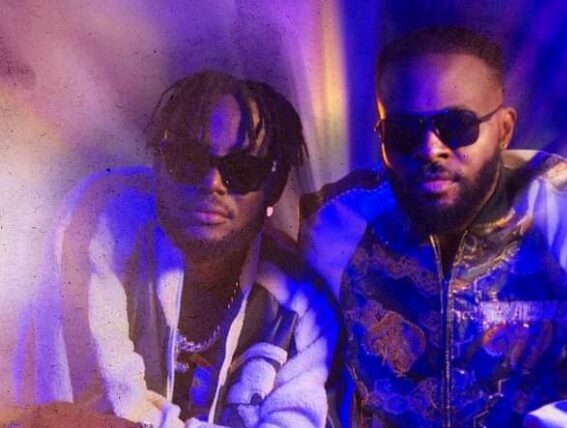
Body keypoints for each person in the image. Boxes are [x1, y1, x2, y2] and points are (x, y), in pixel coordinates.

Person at [299, 27, 567, 427]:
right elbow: (299, 361)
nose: (430, 149)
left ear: (504, 129)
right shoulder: (338, 223)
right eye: (404, 131)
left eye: (457, 126)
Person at [19, 70, 337, 427]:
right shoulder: (103, 218)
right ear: (158, 163)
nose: (212, 182)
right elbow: (97, 410)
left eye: (242, 169)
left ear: (273, 187)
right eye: (188, 159)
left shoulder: (302, 308)